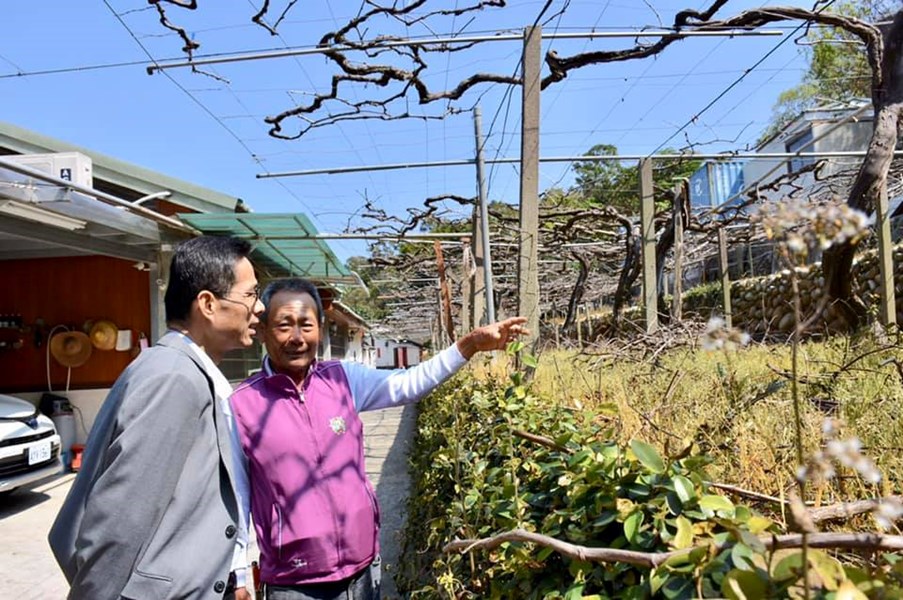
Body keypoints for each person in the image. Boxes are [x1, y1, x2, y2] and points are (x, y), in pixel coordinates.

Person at [229, 277, 528, 599]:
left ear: (321, 329)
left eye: (307, 325)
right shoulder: (242, 405)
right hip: (294, 582)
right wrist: (239, 574)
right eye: (284, 325)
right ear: (262, 330)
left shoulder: (343, 380)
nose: (297, 338)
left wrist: (468, 345)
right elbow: (236, 497)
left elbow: (411, 383)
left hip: (363, 567)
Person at [48, 236, 263, 600]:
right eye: (251, 294)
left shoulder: (186, 368)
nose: (259, 308)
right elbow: (122, 516)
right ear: (208, 304)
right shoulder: (174, 377)